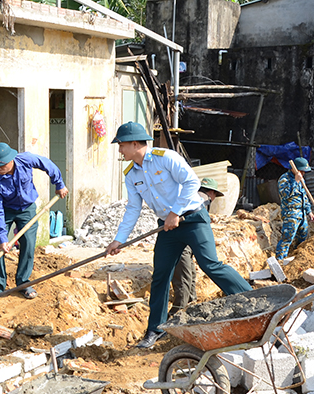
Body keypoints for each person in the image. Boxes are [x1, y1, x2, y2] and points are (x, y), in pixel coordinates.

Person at [106, 122, 252, 349]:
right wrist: (119, 240)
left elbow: (192, 182)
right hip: (168, 228)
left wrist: (175, 212)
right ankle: (156, 329)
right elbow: (133, 208)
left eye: (122, 145)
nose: (120, 150)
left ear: (135, 144)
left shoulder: (166, 158)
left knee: (210, 264)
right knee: (161, 276)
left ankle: (251, 300)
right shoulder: (130, 173)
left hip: (192, 219)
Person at [0, 142, 69, 300]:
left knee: (29, 243)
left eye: (1, 166)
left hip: (27, 208)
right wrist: (4, 240)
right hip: (5, 210)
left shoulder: (25, 159)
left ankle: (23, 282)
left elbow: (47, 165)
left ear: (10, 160)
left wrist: (59, 184)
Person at [170, 178, 224, 315]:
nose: (214, 198)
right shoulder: (202, 201)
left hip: (185, 242)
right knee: (183, 278)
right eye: (215, 196)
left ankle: (191, 307)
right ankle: (177, 313)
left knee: (190, 274)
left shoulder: (196, 197)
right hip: (180, 242)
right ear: (211, 192)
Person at [275, 157, 314, 259]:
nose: (303, 173)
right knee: (287, 238)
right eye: (301, 171)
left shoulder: (301, 180)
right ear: (294, 169)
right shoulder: (285, 179)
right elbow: (285, 194)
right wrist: (296, 182)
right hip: (291, 214)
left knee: (303, 237)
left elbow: (304, 196)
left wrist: (309, 211)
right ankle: (280, 260)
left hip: (301, 213)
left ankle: (295, 258)